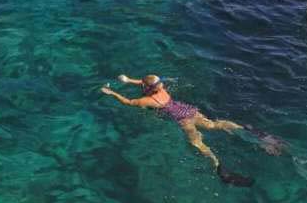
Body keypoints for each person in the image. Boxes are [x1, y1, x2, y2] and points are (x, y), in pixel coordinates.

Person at [100, 74, 285, 186]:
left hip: (183, 120)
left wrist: (113, 93)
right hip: (188, 109)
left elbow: (128, 102)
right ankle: (248, 130)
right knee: (213, 124)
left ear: (146, 88)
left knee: (197, 143)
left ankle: (219, 167)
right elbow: (144, 81)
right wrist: (127, 80)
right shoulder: (162, 90)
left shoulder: (146, 101)